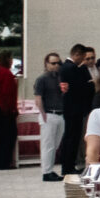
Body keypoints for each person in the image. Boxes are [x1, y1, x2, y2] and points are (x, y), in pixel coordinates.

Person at [60, 43, 95, 175]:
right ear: (77, 55)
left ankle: (69, 165)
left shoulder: (67, 67)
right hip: (73, 108)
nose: (83, 61)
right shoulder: (71, 68)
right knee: (71, 138)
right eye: (82, 57)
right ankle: (68, 166)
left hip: (72, 108)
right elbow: (79, 88)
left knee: (73, 137)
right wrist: (90, 85)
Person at [34, 52, 65, 182]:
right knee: (48, 145)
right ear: (46, 64)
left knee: (55, 144)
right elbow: (38, 98)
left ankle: (50, 170)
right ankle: (46, 172)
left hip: (60, 113)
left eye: (58, 63)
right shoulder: (42, 79)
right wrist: (43, 113)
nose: (56, 65)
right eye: (53, 63)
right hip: (49, 113)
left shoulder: (60, 78)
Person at [0, 49, 18, 170]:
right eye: (11, 59)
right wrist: (11, 109)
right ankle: (4, 162)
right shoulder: (6, 74)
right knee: (9, 136)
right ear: (7, 60)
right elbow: (7, 94)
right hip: (4, 111)